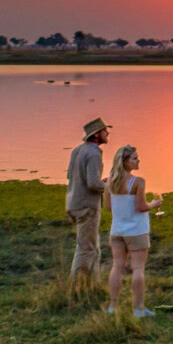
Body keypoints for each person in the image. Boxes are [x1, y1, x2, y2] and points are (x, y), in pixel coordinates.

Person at [105, 145, 163, 317]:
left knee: (117, 267)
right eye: (135, 159)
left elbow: (108, 207)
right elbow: (141, 206)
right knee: (138, 268)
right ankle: (138, 308)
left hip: (117, 231)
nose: (138, 161)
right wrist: (153, 204)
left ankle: (112, 306)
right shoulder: (137, 182)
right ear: (125, 162)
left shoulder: (110, 182)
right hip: (136, 231)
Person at [65, 118, 111, 285]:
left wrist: (101, 182)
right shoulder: (94, 153)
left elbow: (70, 176)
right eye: (105, 131)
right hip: (87, 207)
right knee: (87, 249)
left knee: (89, 246)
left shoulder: (77, 150)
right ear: (97, 135)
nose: (108, 134)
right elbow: (92, 183)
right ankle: (77, 287)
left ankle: (92, 285)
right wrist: (108, 185)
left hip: (73, 204)